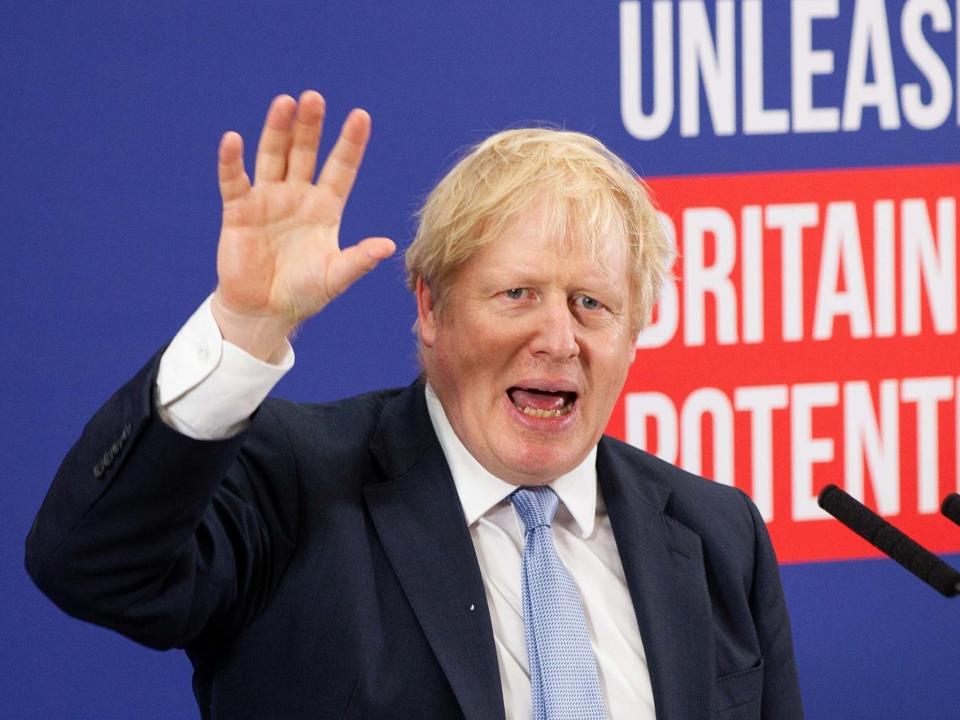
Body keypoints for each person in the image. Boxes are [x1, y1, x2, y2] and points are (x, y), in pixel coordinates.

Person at [26, 90, 803, 719]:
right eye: (518, 294)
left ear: (635, 332)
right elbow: (92, 568)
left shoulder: (714, 532)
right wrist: (245, 330)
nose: (559, 339)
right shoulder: (294, 483)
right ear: (430, 308)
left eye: (592, 304)